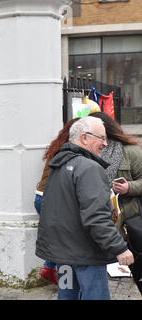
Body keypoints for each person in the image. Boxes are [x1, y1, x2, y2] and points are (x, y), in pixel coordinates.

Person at [36, 116, 134, 300]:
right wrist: (120, 248)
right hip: (86, 255)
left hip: (63, 256)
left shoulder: (58, 163)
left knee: (66, 296)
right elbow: (97, 217)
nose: (105, 144)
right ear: (84, 138)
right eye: (102, 138)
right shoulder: (89, 168)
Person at [89, 112, 142, 293]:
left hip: (126, 221)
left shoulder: (131, 151)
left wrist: (129, 187)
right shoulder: (86, 153)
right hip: (97, 221)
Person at [34, 118, 79, 285]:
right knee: (64, 240)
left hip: (40, 195)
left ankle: (50, 268)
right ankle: (56, 273)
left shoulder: (57, 144)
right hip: (52, 198)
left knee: (58, 237)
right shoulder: (70, 150)